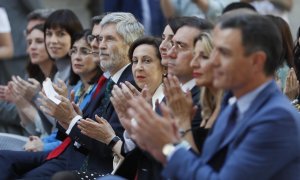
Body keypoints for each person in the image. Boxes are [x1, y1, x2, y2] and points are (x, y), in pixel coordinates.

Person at [127, 13, 300, 179]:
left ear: (256, 61)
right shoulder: (231, 103)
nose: (213, 61)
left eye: (224, 53)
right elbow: (203, 166)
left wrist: (169, 147)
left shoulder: (277, 118)